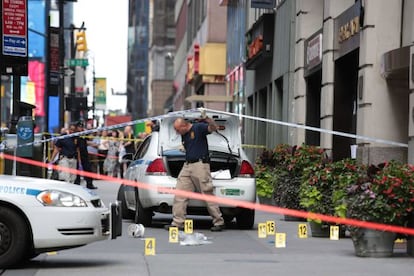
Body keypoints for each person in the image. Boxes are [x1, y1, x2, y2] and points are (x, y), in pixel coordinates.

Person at [165, 117, 225, 232]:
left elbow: (212, 128)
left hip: (200, 165)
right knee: (180, 193)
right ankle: (177, 223)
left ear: (183, 126)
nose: (177, 132)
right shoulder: (184, 134)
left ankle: (219, 221)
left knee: (207, 193)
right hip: (188, 165)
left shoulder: (199, 128)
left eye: (177, 130)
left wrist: (209, 120)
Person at [74, 122, 98, 189]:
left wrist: (89, 131)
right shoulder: (75, 134)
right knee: (77, 169)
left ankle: (89, 184)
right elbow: (76, 146)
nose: (81, 128)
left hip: (84, 153)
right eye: (79, 127)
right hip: (77, 153)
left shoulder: (83, 134)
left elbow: (90, 138)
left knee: (87, 168)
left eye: (81, 127)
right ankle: (77, 183)